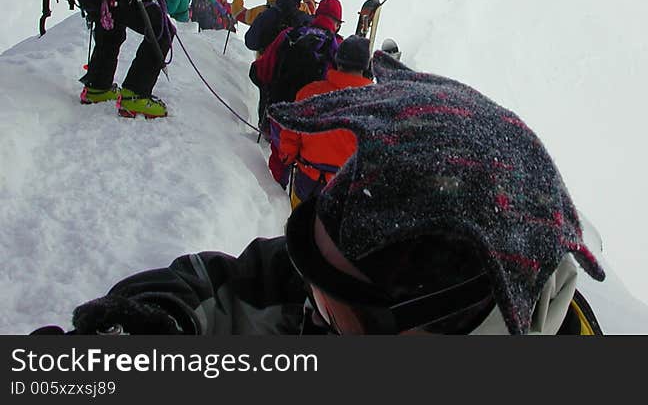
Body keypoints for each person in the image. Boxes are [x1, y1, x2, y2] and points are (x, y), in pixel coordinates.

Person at [40, 52, 610, 335]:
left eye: (336, 317)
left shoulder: (375, 280)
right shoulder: (353, 277)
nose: (314, 310)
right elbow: (235, 284)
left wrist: (280, 160)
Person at [267, 35, 373, 206]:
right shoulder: (375, 104)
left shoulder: (309, 93)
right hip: (346, 191)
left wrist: (287, 156)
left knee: (300, 228)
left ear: (338, 60)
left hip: (307, 183)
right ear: (365, 66)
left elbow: (290, 137)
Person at [249, 0, 344, 131]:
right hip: (317, 131)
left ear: (316, 16)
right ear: (337, 24)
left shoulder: (290, 35)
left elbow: (261, 71)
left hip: (280, 122)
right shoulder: (339, 48)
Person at [244, 0, 312, 56]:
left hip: (268, 64)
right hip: (298, 65)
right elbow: (311, 7)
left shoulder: (264, 14)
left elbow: (250, 42)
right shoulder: (305, 17)